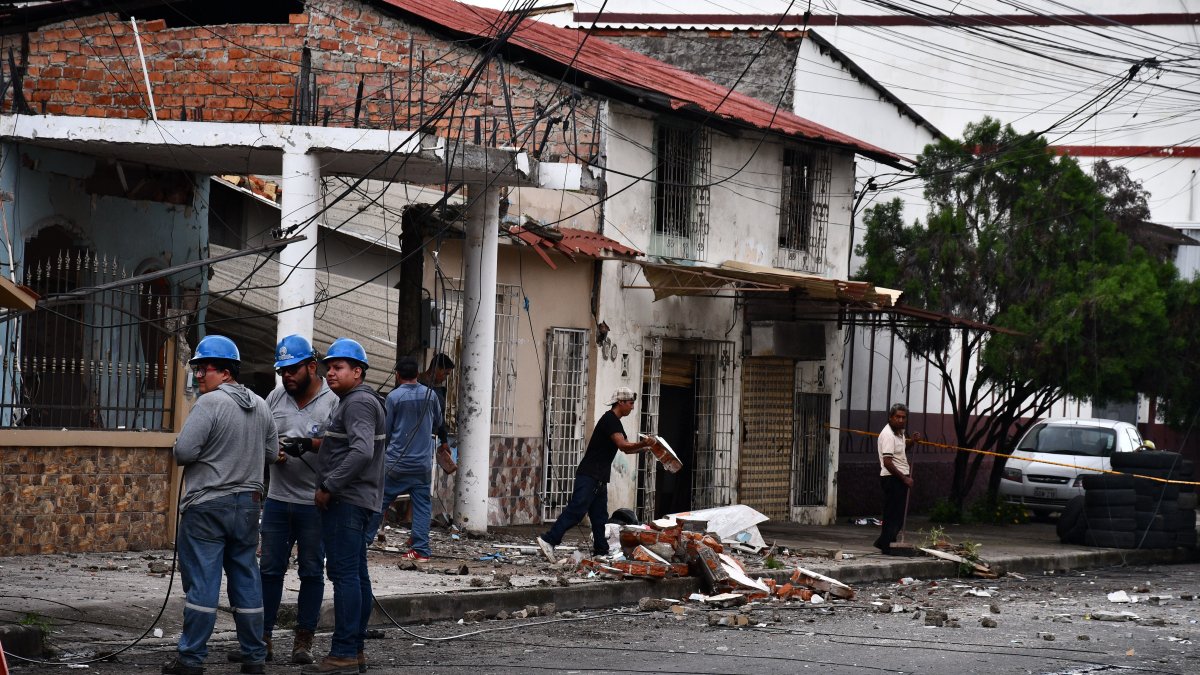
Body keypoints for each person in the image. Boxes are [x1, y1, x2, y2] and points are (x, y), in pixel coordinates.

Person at [165, 335, 277, 675]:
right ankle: (254, 658)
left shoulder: (210, 404)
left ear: (226, 372)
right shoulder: (260, 405)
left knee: (203, 582)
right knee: (246, 578)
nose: (199, 376)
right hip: (248, 506)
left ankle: (190, 659)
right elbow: (272, 454)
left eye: (205, 369)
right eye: (197, 369)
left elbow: (184, 452)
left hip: (208, 506)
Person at [252, 335, 338, 665]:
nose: (287, 376)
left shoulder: (333, 401)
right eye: (282, 371)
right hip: (277, 499)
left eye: (292, 370)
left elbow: (342, 446)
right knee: (269, 570)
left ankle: (303, 641)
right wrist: (273, 455)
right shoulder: (275, 398)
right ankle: (263, 638)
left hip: (314, 503)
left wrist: (311, 444)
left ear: (311, 367)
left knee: (312, 572)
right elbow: (260, 438)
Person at [305, 338, 387, 675]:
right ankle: (354, 650)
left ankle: (343, 653)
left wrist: (328, 485)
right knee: (355, 574)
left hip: (348, 502)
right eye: (329, 367)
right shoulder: (358, 402)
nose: (330, 373)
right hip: (358, 500)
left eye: (338, 367)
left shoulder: (357, 403)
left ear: (358, 371)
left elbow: (361, 451)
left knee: (344, 576)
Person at [536, 387, 655, 562]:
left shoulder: (616, 422)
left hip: (599, 477)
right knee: (576, 510)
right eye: (630, 403)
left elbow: (627, 448)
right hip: (590, 474)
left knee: (599, 517)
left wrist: (647, 448)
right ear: (620, 402)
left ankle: (601, 551)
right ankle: (549, 540)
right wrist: (644, 443)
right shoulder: (610, 420)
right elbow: (623, 445)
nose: (632, 407)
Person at [364, 356, 443, 561]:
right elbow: (438, 422)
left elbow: (386, 431)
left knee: (378, 502)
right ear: (418, 375)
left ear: (397, 376)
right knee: (422, 506)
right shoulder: (430, 394)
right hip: (422, 464)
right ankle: (420, 550)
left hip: (396, 463)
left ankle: (363, 541)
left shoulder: (394, 397)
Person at [874, 402, 921, 555]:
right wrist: (904, 479)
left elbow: (900, 450)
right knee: (893, 514)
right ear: (890, 417)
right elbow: (887, 462)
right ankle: (886, 545)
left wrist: (912, 442)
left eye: (903, 417)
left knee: (898, 514)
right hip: (892, 478)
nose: (900, 420)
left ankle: (884, 542)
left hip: (898, 477)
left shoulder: (899, 432)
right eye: (897, 417)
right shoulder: (888, 434)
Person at [418, 352, 455, 466]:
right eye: (445, 374)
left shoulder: (439, 391)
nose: (444, 378)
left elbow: (440, 418)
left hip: (430, 439)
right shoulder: (416, 385)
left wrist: (444, 441)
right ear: (435, 369)